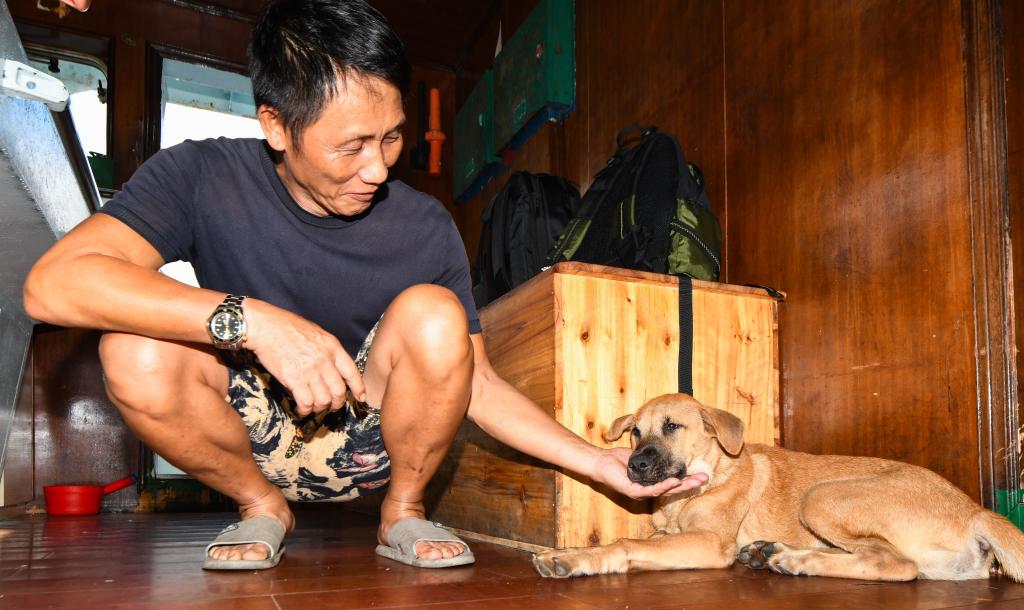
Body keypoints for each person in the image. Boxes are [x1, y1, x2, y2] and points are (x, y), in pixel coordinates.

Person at [23, 0, 707, 570]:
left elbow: (478, 383)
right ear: (275, 125)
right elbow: (52, 285)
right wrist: (254, 320)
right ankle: (261, 507)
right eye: (351, 146)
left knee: (436, 313)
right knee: (131, 347)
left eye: (391, 138)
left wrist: (599, 464)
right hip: (250, 435)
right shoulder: (199, 176)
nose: (377, 169)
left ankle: (402, 512)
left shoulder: (423, 225)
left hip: (368, 438)